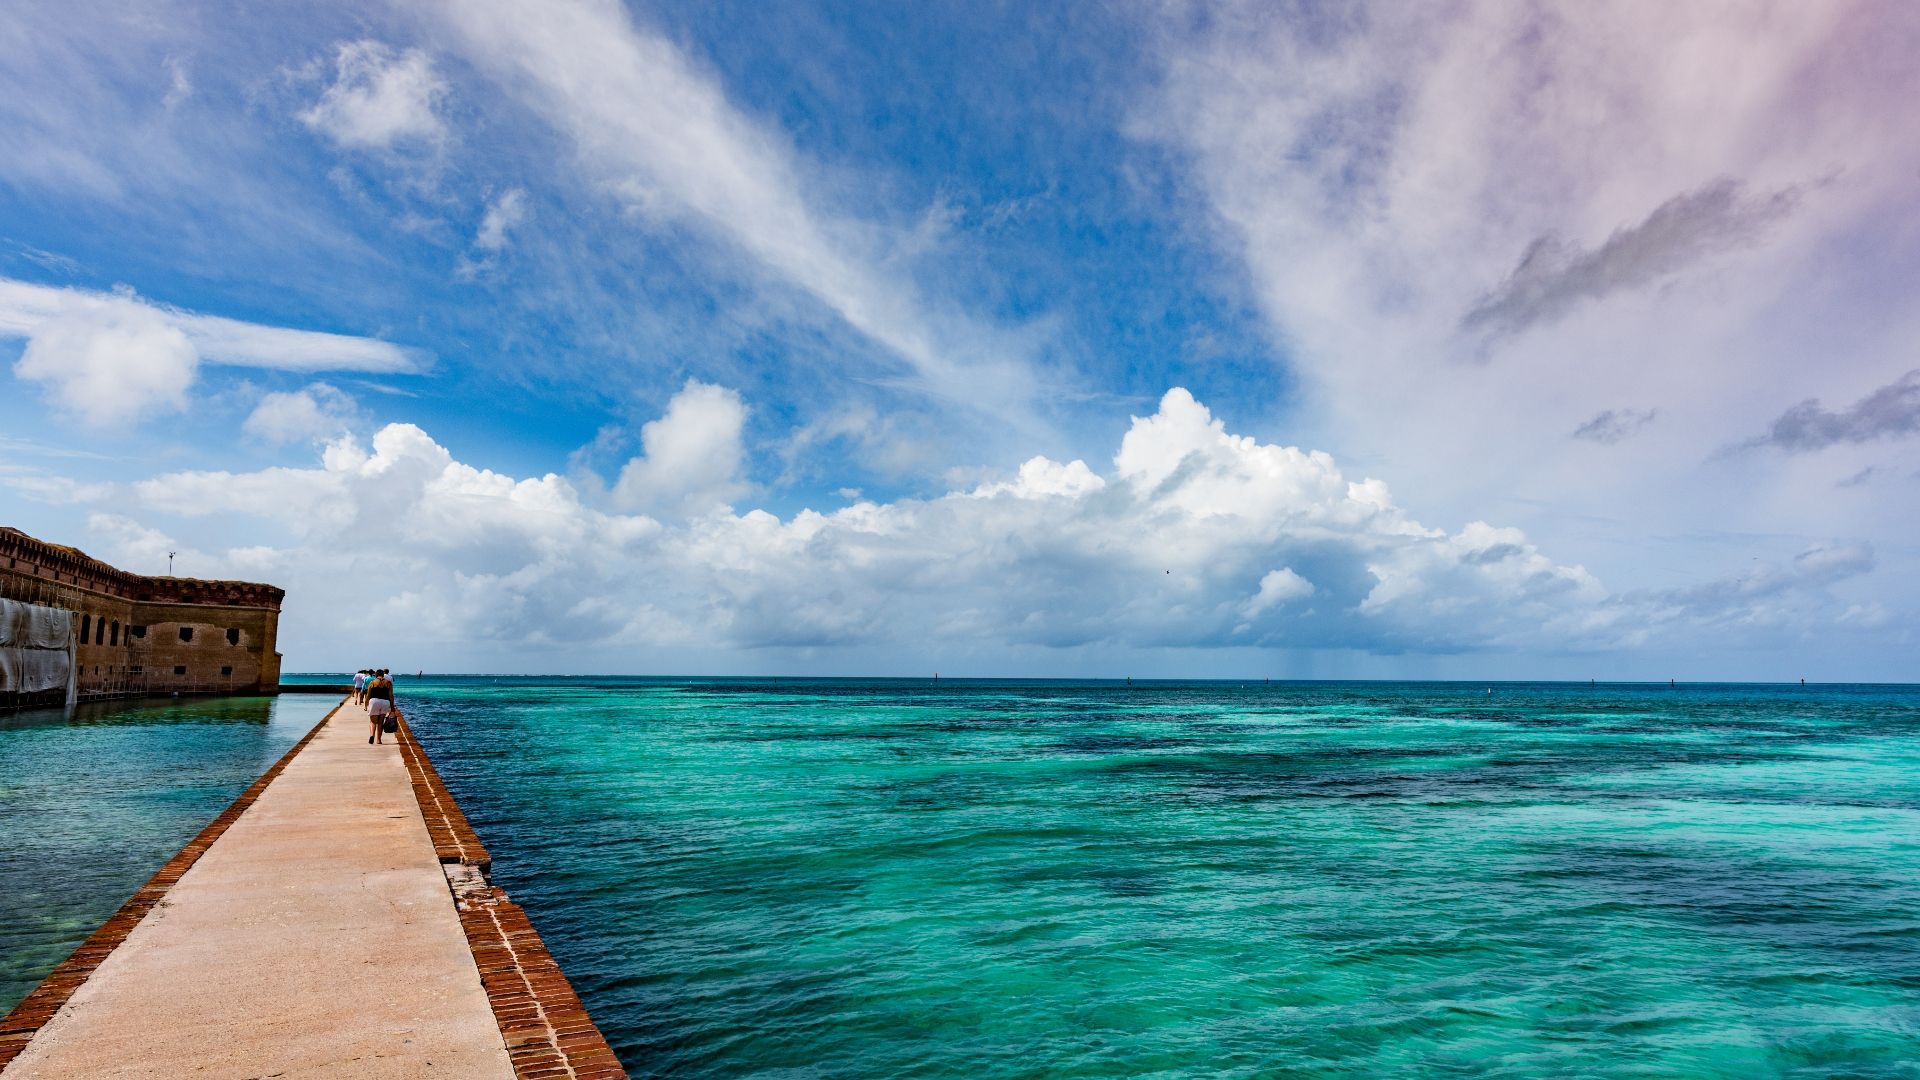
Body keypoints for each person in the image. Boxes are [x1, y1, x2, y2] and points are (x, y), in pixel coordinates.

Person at [366, 669, 396, 744]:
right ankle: (379, 740)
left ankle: (372, 735)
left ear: (376, 675)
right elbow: (391, 696)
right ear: (383, 675)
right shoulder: (388, 683)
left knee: (373, 721)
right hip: (385, 702)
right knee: (380, 722)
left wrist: (366, 705)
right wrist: (392, 708)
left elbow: (368, 695)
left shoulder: (372, 682)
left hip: (374, 701)